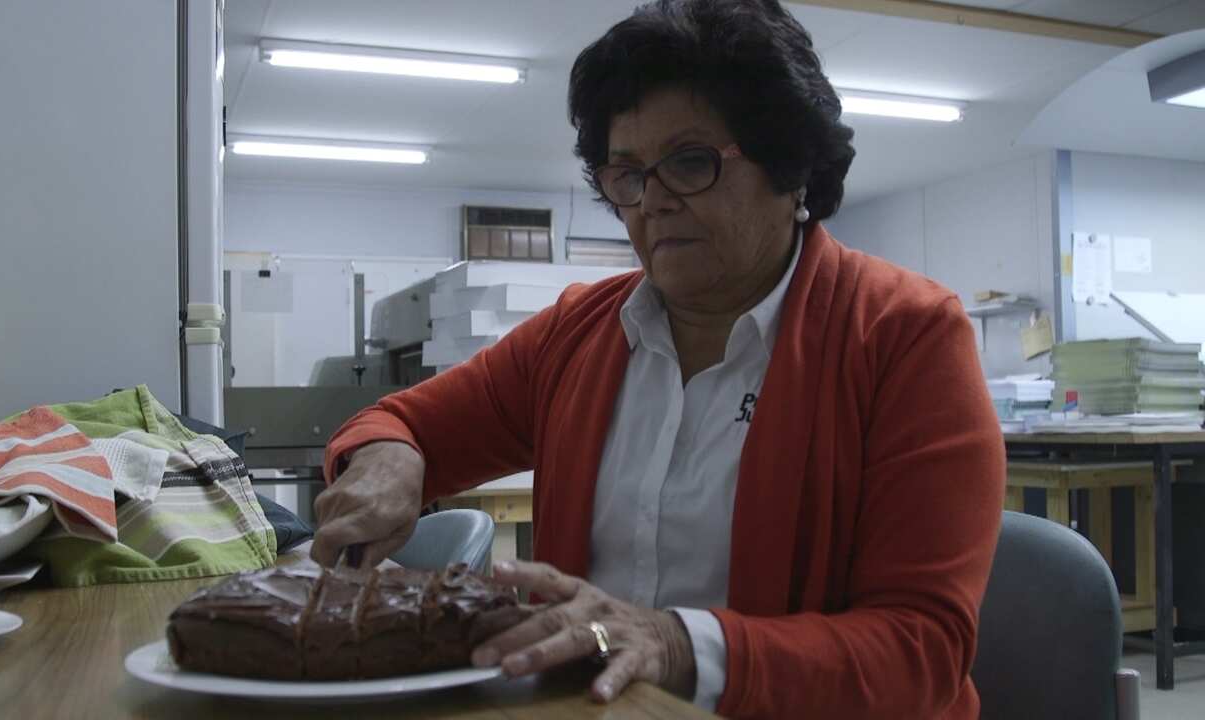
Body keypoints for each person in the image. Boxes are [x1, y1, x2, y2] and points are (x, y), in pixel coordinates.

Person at [313, 1, 1004, 717]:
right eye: (628, 175)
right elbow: (399, 423)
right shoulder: (577, 335)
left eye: (690, 163)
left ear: (789, 164)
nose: (653, 202)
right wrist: (390, 459)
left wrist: (675, 646)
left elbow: (921, 650)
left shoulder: (905, 338)